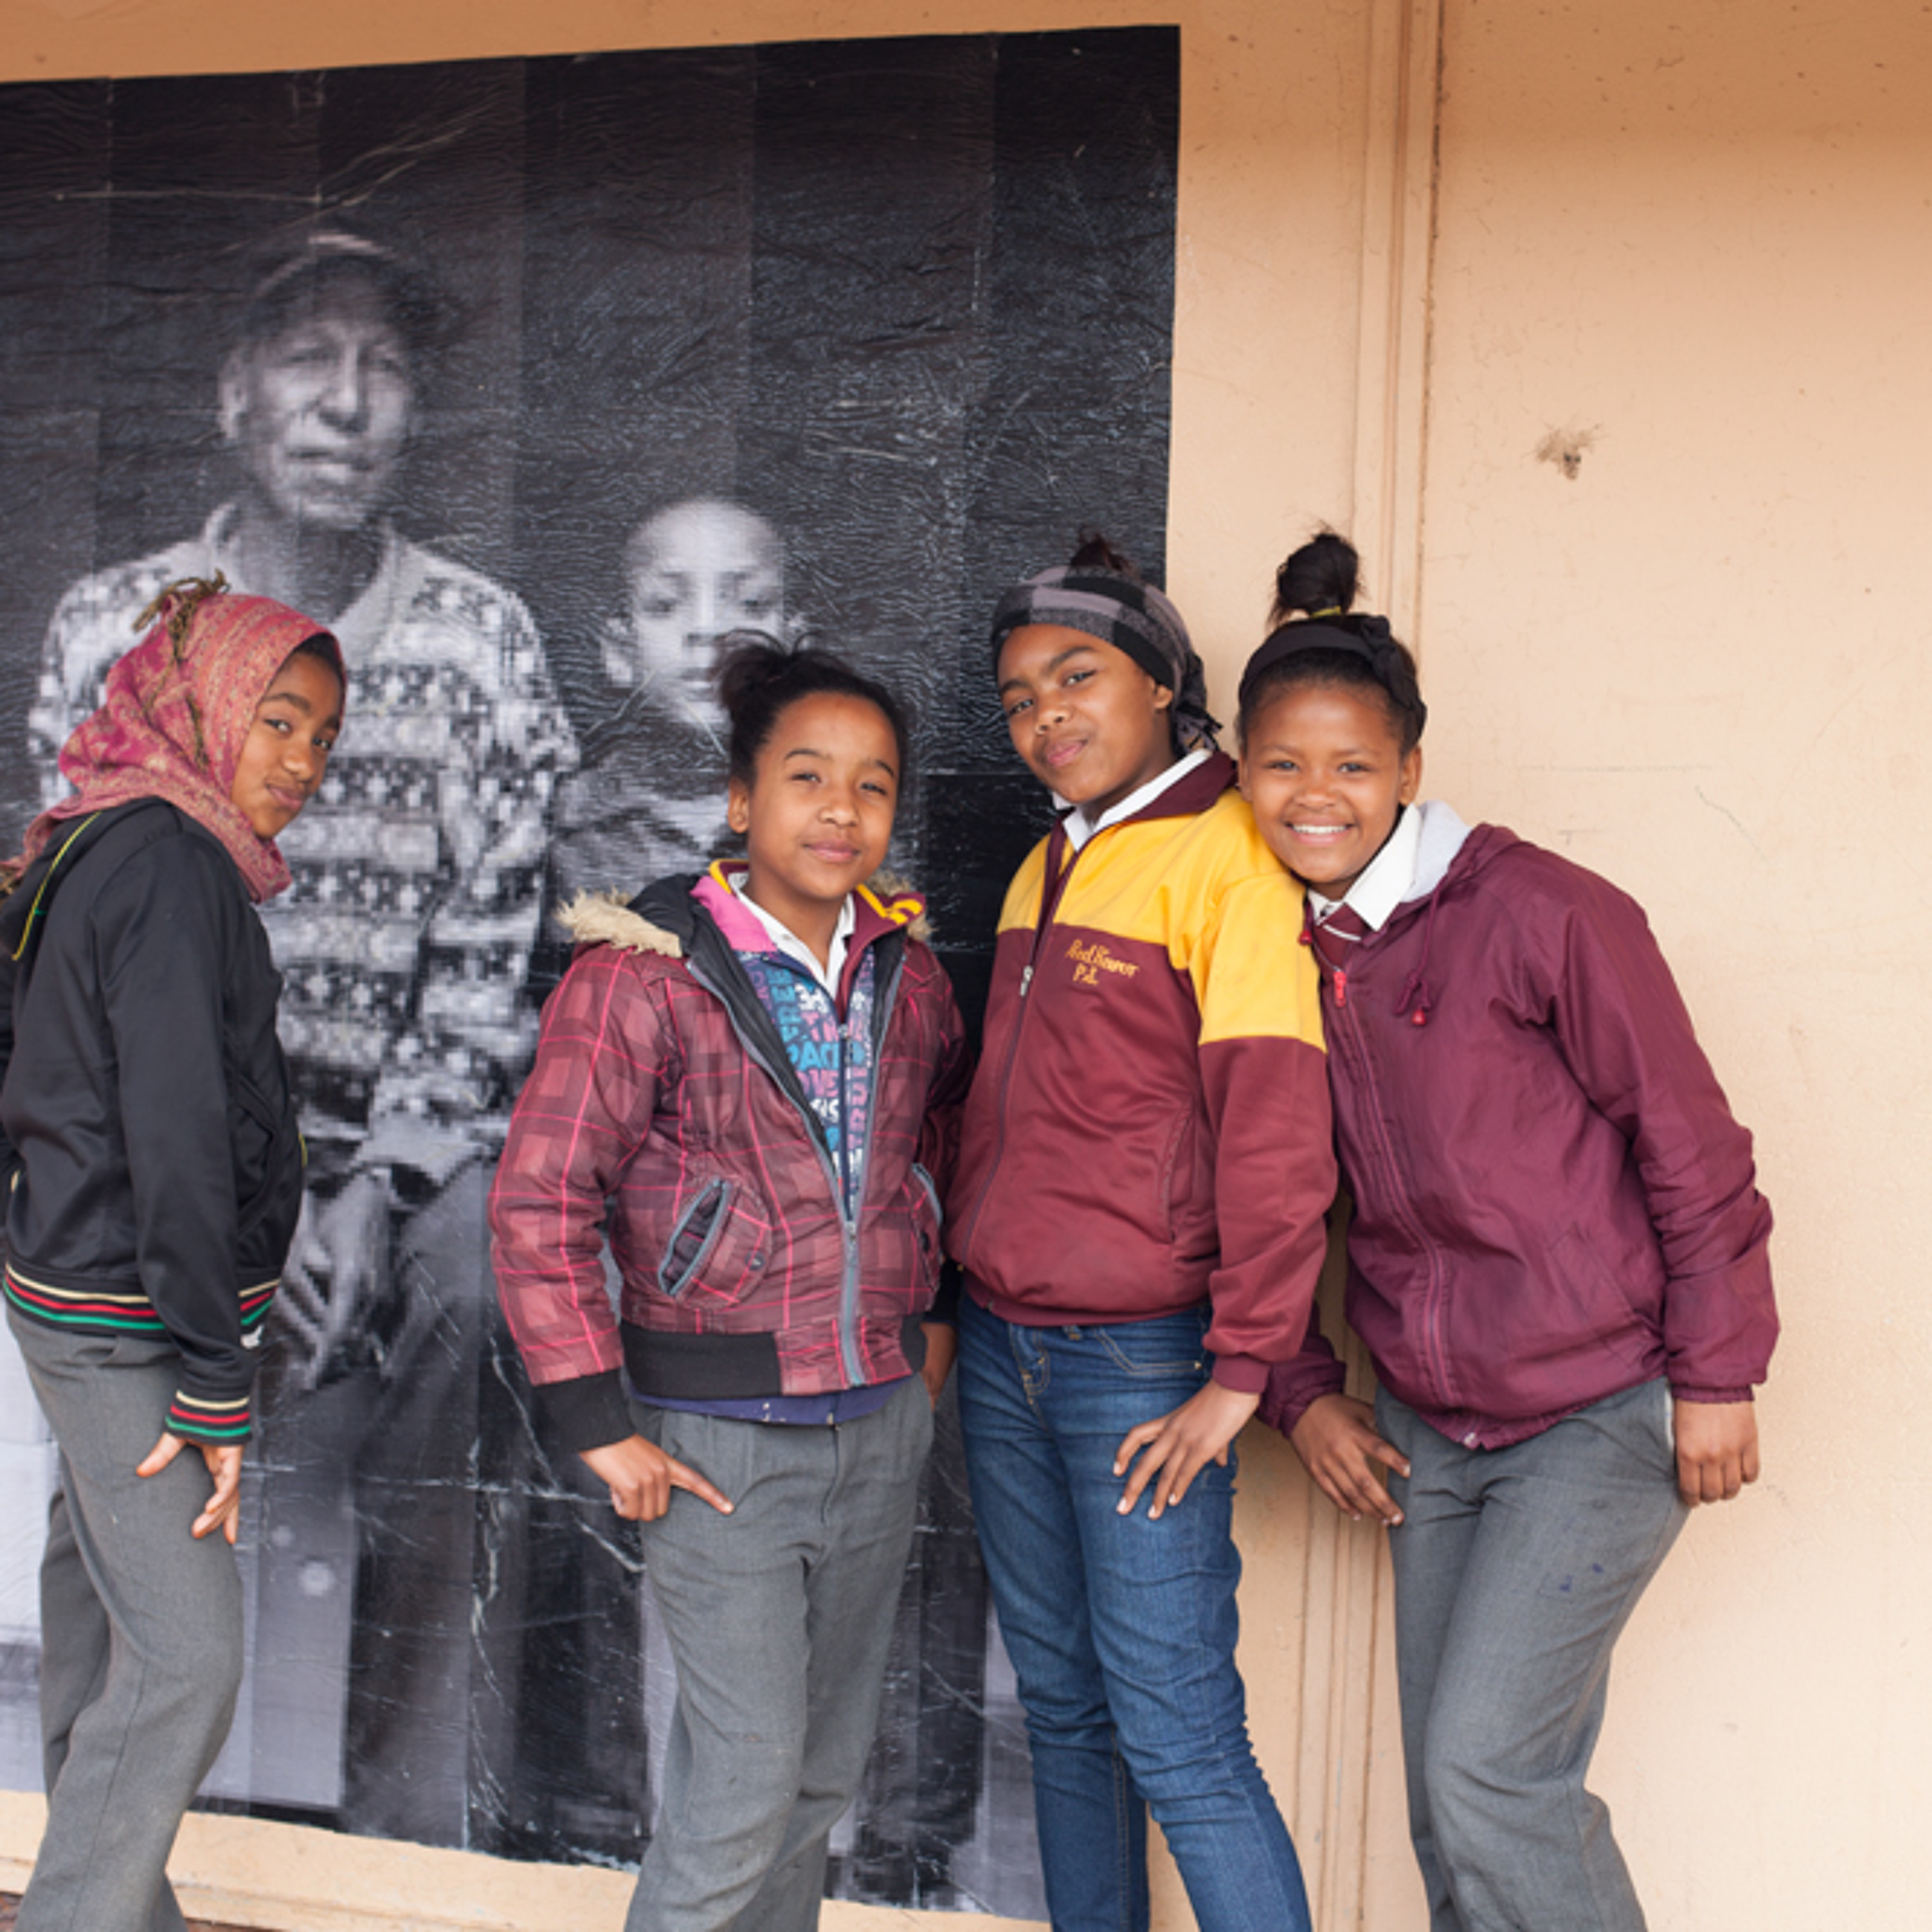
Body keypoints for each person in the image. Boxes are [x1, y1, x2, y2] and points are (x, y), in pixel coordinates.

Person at [24, 224, 576, 1844]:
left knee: (480, 1270)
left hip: (392, 1153)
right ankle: (100, 1834)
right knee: (109, 1291)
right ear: (232, 392)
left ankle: (406, 1840)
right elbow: (67, 940)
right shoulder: (116, 624)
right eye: (305, 356)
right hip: (166, 1139)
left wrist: (376, 1183)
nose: (345, 400)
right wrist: (234, 1191)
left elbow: (489, 959)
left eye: (384, 365)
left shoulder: (484, 641)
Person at [1247, 533, 1779, 1932]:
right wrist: (1300, 1391)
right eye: (1283, 764)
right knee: (1453, 1811)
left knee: (1492, 1778)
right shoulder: (1273, 943)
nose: (1316, 796)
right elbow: (1254, 1193)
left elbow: (1689, 1141)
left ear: (1410, 769)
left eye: (1353, 765)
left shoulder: (1541, 911)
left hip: (1597, 1406)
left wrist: (1718, 1372)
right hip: (1433, 1424)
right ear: (1241, 771)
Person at [489, 635, 970, 1932]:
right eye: (807, 777)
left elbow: (933, 1148)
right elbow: (540, 1197)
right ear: (742, 802)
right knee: (744, 1783)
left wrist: (924, 1319)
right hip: (718, 1440)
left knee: (814, 1779)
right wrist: (596, 1415)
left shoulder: (908, 972)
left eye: (873, 785)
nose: (841, 809)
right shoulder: (643, 973)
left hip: (876, 1425)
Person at [944, 535, 1333, 1932]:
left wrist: (1243, 1372)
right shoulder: (1048, 864)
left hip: (1140, 1363)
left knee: (1180, 1736)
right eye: (1018, 698)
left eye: (1077, 678)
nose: (1045, 715)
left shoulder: (1233, 861)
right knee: (1062, 1712)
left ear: (1164, 684)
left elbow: (1278, 1136)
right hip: (1004, 1349)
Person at [1, 577, 342, 1932]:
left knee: (101, 1613)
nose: (302, 762)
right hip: (124, 1319)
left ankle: (115, 1908)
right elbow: (179, 1135)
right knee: (189, 1659)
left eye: (323, 736)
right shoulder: (170, 866)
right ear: (203, 705)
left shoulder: (111, 835)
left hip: (86, 1283)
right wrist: (213, 1375)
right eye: (279, 719)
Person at [550, 497, 789, 905]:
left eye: (751, 604)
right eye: (665, 605)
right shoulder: (559, 821)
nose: (706, 628)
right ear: (619, 652)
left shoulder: (834, 816)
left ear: (793, 645)